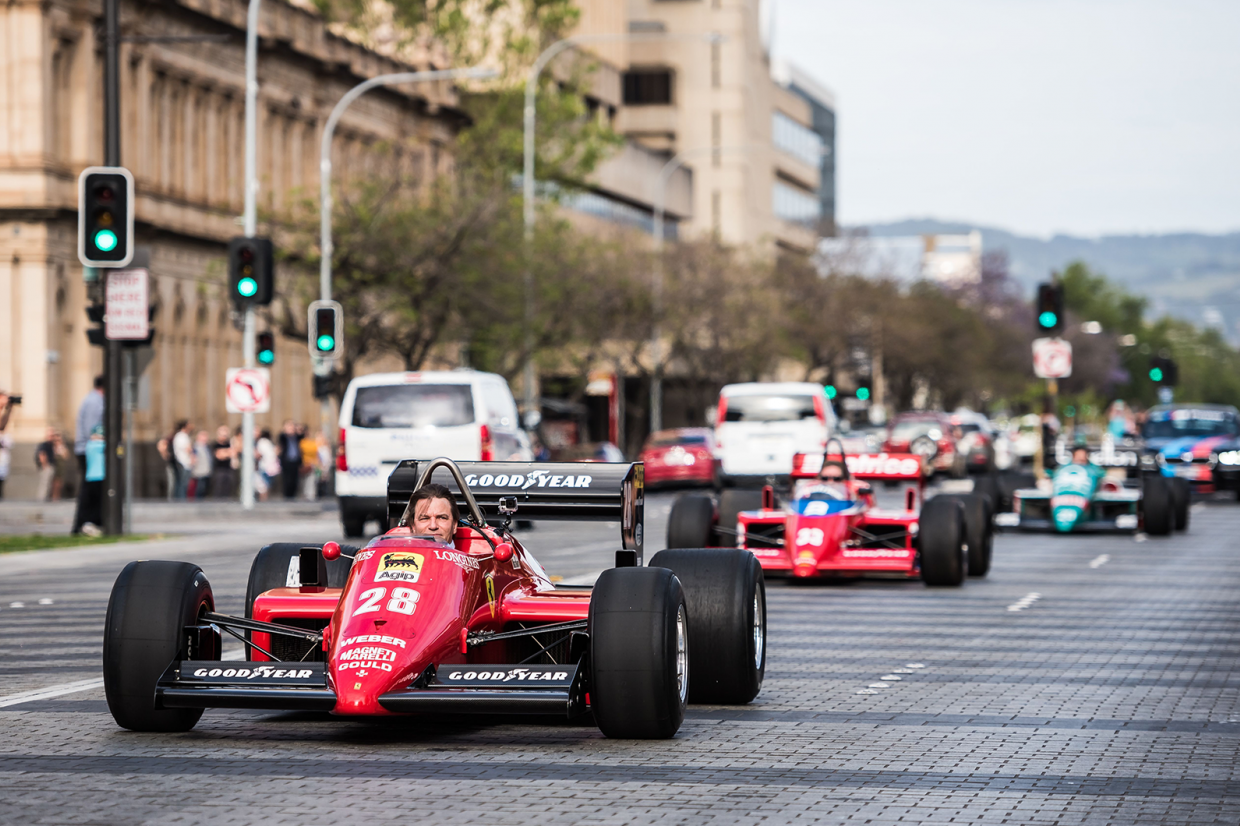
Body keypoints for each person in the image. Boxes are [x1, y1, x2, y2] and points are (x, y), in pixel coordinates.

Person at [72, 376, 104, 524]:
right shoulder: (94, 402)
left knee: (93, 487)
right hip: (90, 450)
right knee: (91, 488)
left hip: (91, 449)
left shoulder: (95, 400)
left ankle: (90, 521)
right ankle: (84, 522)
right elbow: (92, 431)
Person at [73, 425, 106, 535]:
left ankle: (85, 524)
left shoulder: (88, 445)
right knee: (98, 504)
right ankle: (96, 523)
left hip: (90, 477)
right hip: (100, 477)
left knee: (90, 503)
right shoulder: (100, 446)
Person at [277, 419, 302, 500]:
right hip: (286, 461)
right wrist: (287, 431)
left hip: (295, 461)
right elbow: (281, 437)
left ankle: (293, 495)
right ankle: (287, 495)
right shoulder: (283, 437)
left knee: (295, 479)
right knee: (287, 479)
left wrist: (297, 429)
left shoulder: (296, 437)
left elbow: (302, 435)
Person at [210, 425, 236, 499]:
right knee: (218, 489)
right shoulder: (214, 444)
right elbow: (219, 455)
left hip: (229, 469)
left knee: (228, 489)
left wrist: (225, 452)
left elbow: (234, 453)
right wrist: (228, 452)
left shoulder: (229, 444)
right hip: (219, 470)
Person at [255, 428, 280, 502]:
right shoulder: (268, 443)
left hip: (264, 466)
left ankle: (263, 499)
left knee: (263, 485)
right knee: (265, 485)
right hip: (268, 467)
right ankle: (264, 499)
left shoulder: (261, 442)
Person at [35, 427, 58, 501]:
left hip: (51, 466)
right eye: (50, 436)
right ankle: (42, 499)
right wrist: (45, 465)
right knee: (44, 484)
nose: (52, 437)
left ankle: (46, 499)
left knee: (49, 485)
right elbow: (41, 455)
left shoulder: (52, 445)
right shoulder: (44, 444)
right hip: (47, 466)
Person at [190, 430, 212, 499]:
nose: (206, 438)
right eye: (204, 436)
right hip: (198, 473)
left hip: (205, 472)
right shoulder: (196, 447)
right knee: (199, 490)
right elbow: (193, 458)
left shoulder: (206, 447)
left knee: (204, 490)